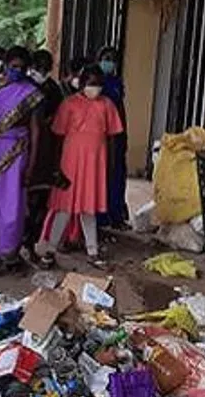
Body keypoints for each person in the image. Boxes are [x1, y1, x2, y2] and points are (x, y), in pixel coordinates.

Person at [38, 65, 124, 269]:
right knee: (64, 208)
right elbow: (58, 137)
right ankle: (50, 250)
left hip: (95, 164)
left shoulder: (107, 105)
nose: (95, 88)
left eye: (98, 85)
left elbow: (112, 138)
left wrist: (111, 165)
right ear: (82, 83)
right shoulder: (69, 104)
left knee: (89, 209)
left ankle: (92, 251)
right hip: (70, 162)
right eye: (91, 84)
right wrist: (56, 167)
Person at [0, 46, 44, 272]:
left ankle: (8, 255)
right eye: (13, 66)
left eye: (21, 67)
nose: (16, 70)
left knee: (11, 207)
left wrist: (32, 166)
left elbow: (36, 132)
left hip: (16, 152)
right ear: (5, 65)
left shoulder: (32, 94)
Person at [23, 49, 65, 264]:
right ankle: (19, 243)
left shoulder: (53, 89)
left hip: (46, 151)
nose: (42, 71)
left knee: (40, 202)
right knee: (22, 203)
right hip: (23, 149)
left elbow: (58, 118)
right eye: (38, 66)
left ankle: (32, 244)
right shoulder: (23, 88)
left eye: (46, 67)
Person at [97, 46, 130, 230]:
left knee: (117, 175)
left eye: (112, 59)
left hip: (115, 135)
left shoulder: (116, 83)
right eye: (106, 58)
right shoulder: (95, 82)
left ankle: (116, 215)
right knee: (101, 176)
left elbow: (120, 109)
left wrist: (123, 133)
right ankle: (100, 218)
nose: (109, 62)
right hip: (99, 136)